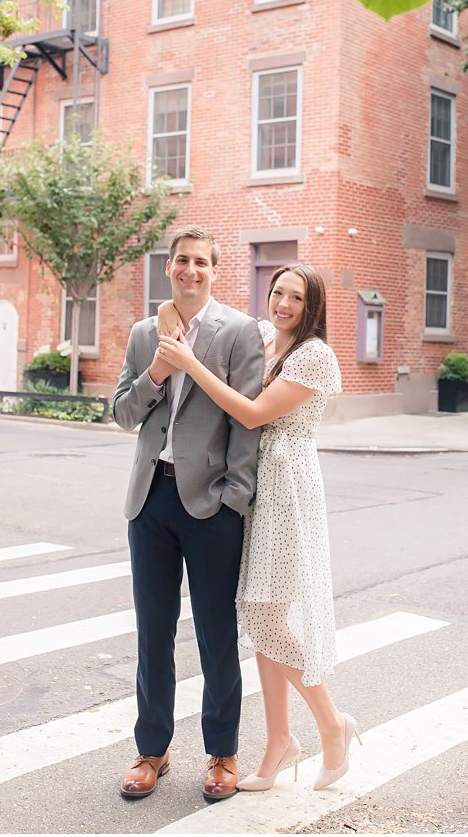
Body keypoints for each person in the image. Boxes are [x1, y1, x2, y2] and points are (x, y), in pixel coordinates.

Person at [154, 263, 358, 792]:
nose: (283, 303)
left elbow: (251, 414)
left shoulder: (314, 354)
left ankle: (332, 725)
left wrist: (191, 364)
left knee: (266, 616)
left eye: (296, 297)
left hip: (286, 490)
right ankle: (278, 740)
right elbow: (195, 312)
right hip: (252, 484)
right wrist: (164, 313)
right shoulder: (264, 336)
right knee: (261, 612)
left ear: (312, 306)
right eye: (277, 292)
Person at [111, 225, 265, 804]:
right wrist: (157, 371)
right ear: (169, 267)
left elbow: (249, 422)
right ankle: (152, 749)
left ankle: (222, 753)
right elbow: (123, 415)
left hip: (211, 505)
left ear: (214, 270)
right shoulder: (144, 333)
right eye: (182, 260)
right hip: (150, 499)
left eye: (201, 261)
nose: (190, 270)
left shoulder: (239, 332)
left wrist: (235, 499)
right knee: (153, 632)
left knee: (215, 635)